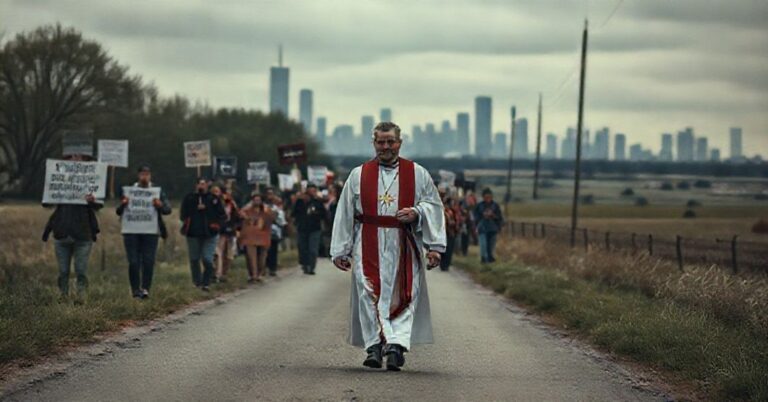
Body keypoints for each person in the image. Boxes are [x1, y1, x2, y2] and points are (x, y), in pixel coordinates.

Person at [331, 121, 445, 371]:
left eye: (390, 142)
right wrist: (340, 249)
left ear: (399, 143)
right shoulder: (358, 175)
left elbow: (434, 206)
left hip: (404, 241)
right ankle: (374, 346)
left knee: (405, 292)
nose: (386, 147)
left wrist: (427, 231)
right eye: (381, 142)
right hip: (368, 239)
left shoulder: (417, 173)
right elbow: (345, 212)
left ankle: (395, 346)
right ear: (374, 143)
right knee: (368, 290)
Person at [42, 153, 102, 299]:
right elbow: (47, 203)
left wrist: (91, 200)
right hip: (62, 234)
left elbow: (98, 205)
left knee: (81, 270)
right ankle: (63, 296)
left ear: (85, 161)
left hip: (83, 235)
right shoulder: (60, 182)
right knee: (63, 271)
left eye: (79, 157)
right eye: (71, 157)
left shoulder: (90, 181)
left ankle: (81, 298)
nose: (75, 160)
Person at [116, 165, 172, 299]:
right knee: (133, 262)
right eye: (142, 174)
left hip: (150, 231)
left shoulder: (157, 191)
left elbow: (167, 209)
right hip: (131, 231)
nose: (144, 177)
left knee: (148, 261)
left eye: (147, 174)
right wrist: (123, 204)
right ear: (138, 176)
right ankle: (135, 289)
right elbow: (118, 211)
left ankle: (145, 288)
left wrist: (160, 205)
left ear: (150, 176)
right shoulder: (130, 191)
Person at [180, 178, 226, 291]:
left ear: (207, 186)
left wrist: (213, 219)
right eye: (200, 184)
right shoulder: (189, 198)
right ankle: (197, 281)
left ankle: (206, 282)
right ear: (196, 185)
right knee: (194, 259)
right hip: (193, 232)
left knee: (207, 258)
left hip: (210, 233)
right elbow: (183, 215)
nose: (202, 186)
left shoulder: (213, 199)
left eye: (204, 184)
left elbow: (221, 215)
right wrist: (195, 209)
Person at [239, 193, 276, 283]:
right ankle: (254, 275)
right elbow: (240, 215)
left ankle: (259, 273)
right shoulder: (247, 210)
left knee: (262, 258)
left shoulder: (266, 210)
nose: (257, 202)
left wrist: (269, 212)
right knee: (251, 257)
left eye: (259, 200)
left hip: (263, 236)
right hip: (250, 236)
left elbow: (272, 219)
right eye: (255, 200)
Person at [293, 183, 327, 275]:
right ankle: (305, 265)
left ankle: (311, 267)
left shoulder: (318, 202)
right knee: (303, 248)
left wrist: (316, 213)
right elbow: (294, 213)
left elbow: (324, 215)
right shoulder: (300, 202)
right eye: (310, 190)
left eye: (313, 190)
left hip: (315, 228)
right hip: (302, 228)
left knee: (313, 249)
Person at [211, 185, 240, 283]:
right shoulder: (214, 202)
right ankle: (217, 274)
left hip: (231, 231)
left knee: (229, 255)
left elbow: (237, 216)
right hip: (219, 230)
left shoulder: (231, 203)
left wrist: (236, 227)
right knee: (218, 252)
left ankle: (224, 273)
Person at [474, 188, 503, 263]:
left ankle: (490, 260)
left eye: (489, 197)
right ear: (483, 197)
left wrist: (493, 215)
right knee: (483, 245)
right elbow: (475, 217)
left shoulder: (495, 206)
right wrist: (482, 216)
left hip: (492, 229)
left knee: (491, 246)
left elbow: (500, 217)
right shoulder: (479, 206)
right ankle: (483, 259)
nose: (488, 199)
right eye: (486, 197)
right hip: (482, 228)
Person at [264, 188, 286, 277]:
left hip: (274, 232)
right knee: (265, 251)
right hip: (264, 231)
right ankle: (264, 267)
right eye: (268, 194)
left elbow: (282, 220)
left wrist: (275, 217)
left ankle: (272, 268)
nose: (270, 196)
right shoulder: (262, 206)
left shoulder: (277, 207)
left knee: (273, 250)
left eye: (271, 194)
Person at [440, 192, 461, 271]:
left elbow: (457, 221)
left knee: (449, 249)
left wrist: (455, 226)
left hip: (451, 232)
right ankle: (443, 264)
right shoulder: (441, 211)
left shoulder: (454, 212)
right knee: (443, 250)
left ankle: (446, 265)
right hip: (442, 233)